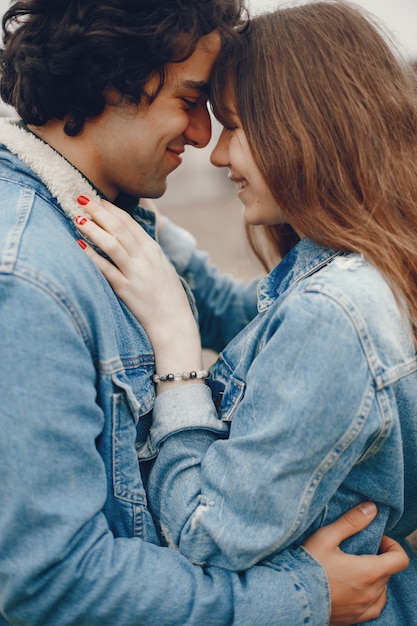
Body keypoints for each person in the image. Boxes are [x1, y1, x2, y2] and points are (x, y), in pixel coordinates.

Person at [0, 0, 408, 624]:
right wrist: (302, 596)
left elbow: (257, 317)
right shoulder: (29, 280)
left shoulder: (113, 223)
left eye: (228, 122)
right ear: (112, 82)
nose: (203, 142)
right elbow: (51, 581)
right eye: (192, 102)